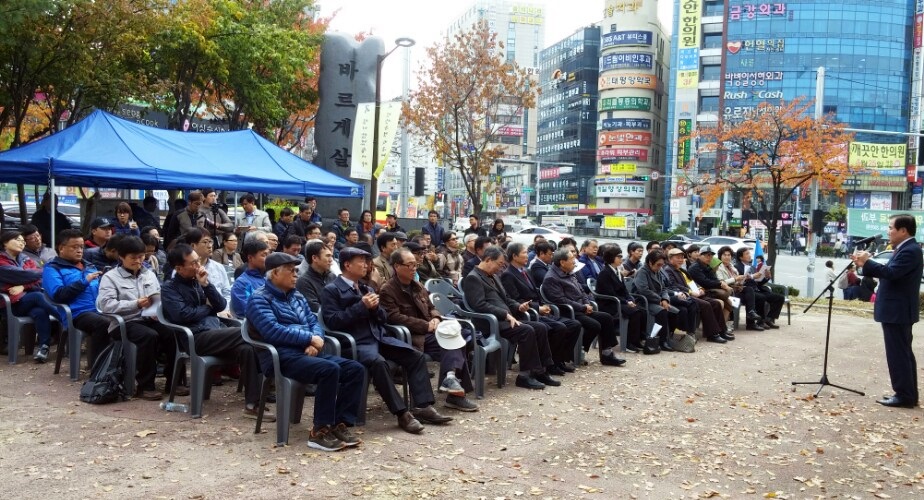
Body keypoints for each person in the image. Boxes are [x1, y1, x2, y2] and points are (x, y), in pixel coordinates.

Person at [321, 246, 453, 433]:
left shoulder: (365, 288)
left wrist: (375, 309)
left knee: (414, 356)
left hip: (379, 337)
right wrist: (361, 306)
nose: (366, 265)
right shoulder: (332, 290)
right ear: (347, 265)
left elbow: (383, 318)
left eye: (367, 261)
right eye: (361, 261)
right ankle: (402, 414)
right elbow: (333, 322)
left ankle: (423, 406)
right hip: (355, 343)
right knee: (379, 363)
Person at [246, 252, 365, 450]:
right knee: (329, 369)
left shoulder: (296, 296)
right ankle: (319, 431)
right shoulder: (259, 299)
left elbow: (313, 322)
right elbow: (273, 331)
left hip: (305, 353)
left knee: (355, 369)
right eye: (291, 271)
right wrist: (308, 339)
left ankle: (338, 424)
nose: (296, 275)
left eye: (296, 271)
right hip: (280, 357)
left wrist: (314, 341)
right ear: (275, 274)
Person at [162, 244, 271, 421]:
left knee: (248, 348)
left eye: (198, 261)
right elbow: (182, 315)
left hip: (217, 333)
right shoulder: (169, 288)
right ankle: (277, 355)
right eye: (193, 263)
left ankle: (253, 405)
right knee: (247, 331)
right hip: (196, 338)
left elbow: (220, 305)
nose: (199, 266)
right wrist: (207, 308)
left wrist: (206, 285)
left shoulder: (199, 282)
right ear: (179, 268)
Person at [380, 247, 479, 412]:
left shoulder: (417, 285)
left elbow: (432, 307)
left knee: (458, 338)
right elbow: (393, 318)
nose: (414, 268)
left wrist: (436, 318)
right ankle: (454, 394)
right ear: (397, 266)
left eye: (415, 264)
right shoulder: (387, 290)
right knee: (453, 342)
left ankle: (451, 381)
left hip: (430, 332)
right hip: (410, 336)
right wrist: (425, 325)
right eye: (410, 265)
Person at [462, 246, 561, 388]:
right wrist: (505, 314)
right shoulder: (473, 278)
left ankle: (541, 371)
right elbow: (479, 305)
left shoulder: (493, 276)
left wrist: (518, 306)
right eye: (499, 264)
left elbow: (506, 298)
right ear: (488, 260)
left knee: (540, 327)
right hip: (491, 323)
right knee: (527, 331)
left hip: (505, 320)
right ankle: (524, 376)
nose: (500, 268)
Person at [852, 214, 923, 408]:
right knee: (902, 352)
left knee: (898, 353)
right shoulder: (904, 249)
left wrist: (868, 262)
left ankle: (904, 395)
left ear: (903, 230)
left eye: (891, 227)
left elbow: (891, 274)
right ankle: (907, 393)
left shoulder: (910, 250)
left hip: (898, 311)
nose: (888, 231)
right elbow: (889, 273)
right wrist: (864, 265)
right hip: (897, 310)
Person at [96, 235, 178, 400]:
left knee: (173, 333)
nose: (138, 261)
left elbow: (157, 296)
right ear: (121, 257)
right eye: (133, 258)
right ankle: (145, 386)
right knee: (148, 336)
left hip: (149, 318)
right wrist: (135, 304)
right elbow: (106, 305)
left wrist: (156, 309)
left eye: (141, 256)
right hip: (124, 322)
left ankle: (174, 381)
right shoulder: (110, 277)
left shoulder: (149, 274)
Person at [501, 243, 581, 373]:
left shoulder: (526, 271)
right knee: (557, 327)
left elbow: (536, 294)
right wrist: (538, 308)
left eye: (527, 252)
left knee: (574, 324)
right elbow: (515, 300)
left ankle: (559, 359)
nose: (527, 255)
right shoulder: (508, 275)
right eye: (524, 253)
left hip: (538, 311)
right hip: (526, 313)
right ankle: (549, 365)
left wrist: (544, 306)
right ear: (514, 256)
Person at [542, 248, 626, 366]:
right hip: (567, 311)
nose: (575, 262)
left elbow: (582, 292)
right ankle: (577, 350)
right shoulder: (552, 277)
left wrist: (587, 303)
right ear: (562, 262)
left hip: (581, 308)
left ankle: (607, 354)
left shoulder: (569, 273)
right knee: (594, 325)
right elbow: (561, 300)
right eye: (572, 259)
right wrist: (582, 307)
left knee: (606, 318)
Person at [43, 228, 113, 366]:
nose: (80, 250)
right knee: (104, 324)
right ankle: (98, 369)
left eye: (81, 247)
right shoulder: (52, 268)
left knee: (127, 320)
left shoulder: (89, 265)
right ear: (61, 248)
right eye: (75, 247)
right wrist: (84, 281)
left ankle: (119, 365)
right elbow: (59, 295)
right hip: (77, 313)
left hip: (100, 309)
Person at [0, 230, 59, 363]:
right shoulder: (1, 260)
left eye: (22, 240)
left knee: (40, 311)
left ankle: (44, 347)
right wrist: (42, 272)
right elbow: (24, 275)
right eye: (17, 239)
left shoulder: (25, 259)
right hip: (10, 304)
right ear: (5, 243)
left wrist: (23, 286)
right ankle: (67, 318)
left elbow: (39, 281)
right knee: (38, 296)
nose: (21, 243)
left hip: (26, 300)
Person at [661, 247, 730, 343]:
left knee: (716, 303)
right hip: (685, 295)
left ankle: (722, 331)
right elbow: (674, 286)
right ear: (670, 258)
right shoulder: (668, 270)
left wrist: (699, 288)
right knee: (706, 305)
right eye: (678, 258)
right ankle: (712, 334)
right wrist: (690, 292)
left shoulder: (681, 269)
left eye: (682, 257)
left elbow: (691, 281)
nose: (681, 260)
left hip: (694, 293)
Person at [595, 244, 647, 352]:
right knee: (634, 312)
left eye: (621, 256)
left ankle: (637, 340)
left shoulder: (617, 271)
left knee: (642, 311)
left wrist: (629, 299)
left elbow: (624, 290)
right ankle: (628, 343)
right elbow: (610, 293)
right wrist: (626, 302)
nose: (621, 259)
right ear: (611, 258)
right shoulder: (605, 273)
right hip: (609, 304)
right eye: (618, 256)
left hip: (619, 301)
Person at [632, 249, 679, 352]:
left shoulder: (657, 271)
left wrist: (665, 298)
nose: (660, 267)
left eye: (661, 265)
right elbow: (644, 290)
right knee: (662, 311)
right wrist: (660, 299)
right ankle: (662, 341)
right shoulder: (642, 272)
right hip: (644, 301)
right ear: (650, 262)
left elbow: (664, 288)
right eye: (658, 265)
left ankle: (668, 337)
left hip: (657, 300)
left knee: (675, 312)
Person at [734, 247, 784, 329]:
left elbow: (758, 282)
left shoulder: (752, 267)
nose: (749, 255)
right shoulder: (737, 267)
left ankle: (768, 319)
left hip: (757, 289)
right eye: (747, 254)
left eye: (749, 253)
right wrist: (752, 276)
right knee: (761, 297)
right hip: (746, 291)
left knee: (779, 298)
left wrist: (767, 277)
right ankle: (759, 322)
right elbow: (740, 281)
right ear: (741, 257)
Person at [230, 239, 270, 318]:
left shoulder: (269, 279)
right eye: (264, 255)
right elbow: (248, 310)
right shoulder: (242, 283)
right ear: (250, 258)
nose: (268, 259)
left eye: (268, 255)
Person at [296, 240, 337, 312]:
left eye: (331, 256)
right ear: (314, 258)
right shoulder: (303, 281)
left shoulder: (332, 276)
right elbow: (315, 308)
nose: (331, 260)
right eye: (327, 256)